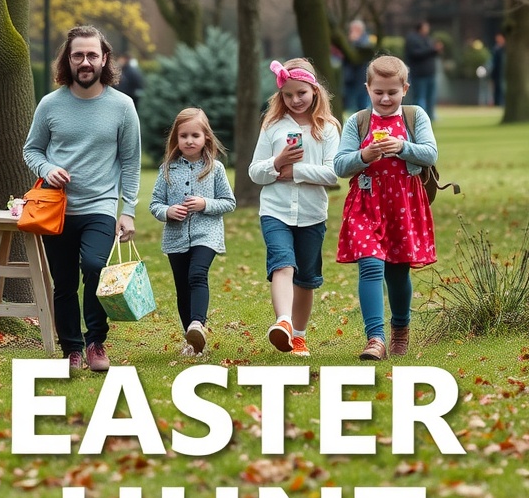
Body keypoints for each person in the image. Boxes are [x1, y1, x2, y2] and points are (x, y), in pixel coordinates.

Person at [23, 25, 141, 373]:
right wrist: (48, 168)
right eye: (78, 55)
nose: (85, 61)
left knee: (94, 266)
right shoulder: (50, 105)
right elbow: (32, 149)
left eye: (92, 54)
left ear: (104, 58)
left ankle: (96, 342)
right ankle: (72, 349)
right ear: (68, 60)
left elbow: (131, 161)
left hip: (100, 207)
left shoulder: (122, 106)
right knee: (63, 283)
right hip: (55, 209)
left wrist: (129, 210)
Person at [334, 55, 438, 361]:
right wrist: (364, 155)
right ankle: (375, 338)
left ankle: (400, 328)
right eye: (378, 91)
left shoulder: (415, 116)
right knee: (370, 265)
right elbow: (340, 164)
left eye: (392, 92)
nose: (385, 98)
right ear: (367, 88)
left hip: (404, 205)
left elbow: (430, 154)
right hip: (366, 203)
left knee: (396, 271)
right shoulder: (358, 121)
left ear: (405, 88)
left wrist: (402, 147)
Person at [248, 59, 341, 357]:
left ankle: (298, 337)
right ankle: (283, 323)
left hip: (313, 214)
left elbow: (332, 173)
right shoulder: (273, 127)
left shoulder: (327, 129)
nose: (295, 100)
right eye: (287, 95)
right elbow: (255, 172)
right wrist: (277, 163)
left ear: (314, 90)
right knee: (282, 264)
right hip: (275, 211)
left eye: (301, 93)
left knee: (306, 279)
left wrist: (296, 172)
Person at [150, 107, 236, 356]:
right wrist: (167, 211)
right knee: (182, 286)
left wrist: (204, 204)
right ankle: (192, 341)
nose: (189, 140)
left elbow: (229, 202)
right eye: (183, 135)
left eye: (195, 135)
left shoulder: (215, 169)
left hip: (206, 234)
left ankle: (198, 323)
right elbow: (155, 203)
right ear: (176, 139)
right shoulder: (167, 169)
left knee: (197, 274)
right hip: (175, 237)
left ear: (206, 137)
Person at [404, 20, 443, 119]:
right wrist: (432, 50)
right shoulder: (412, 39)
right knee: (419, 97)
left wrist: (436, 50)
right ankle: (418, 117)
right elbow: (415, 54)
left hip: (430, 72)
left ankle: (430, 116)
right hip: (419, 73)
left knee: (430, 97)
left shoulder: (427, 39)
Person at [342, 19, 372, 112]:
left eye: (355, 29)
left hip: (361, 77)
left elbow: (362, 55)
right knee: (348, 104)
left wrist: (354, 41)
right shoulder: (347, 40)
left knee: (361, 104)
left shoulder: (365, 40)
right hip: (349, 77)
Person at [490, 32, 506, 107]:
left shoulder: (504, 49)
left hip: (502, 72)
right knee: (497, 87)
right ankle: (497, 102)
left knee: (501, 87)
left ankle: (501, 102)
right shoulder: (496, 49)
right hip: (496, 72)